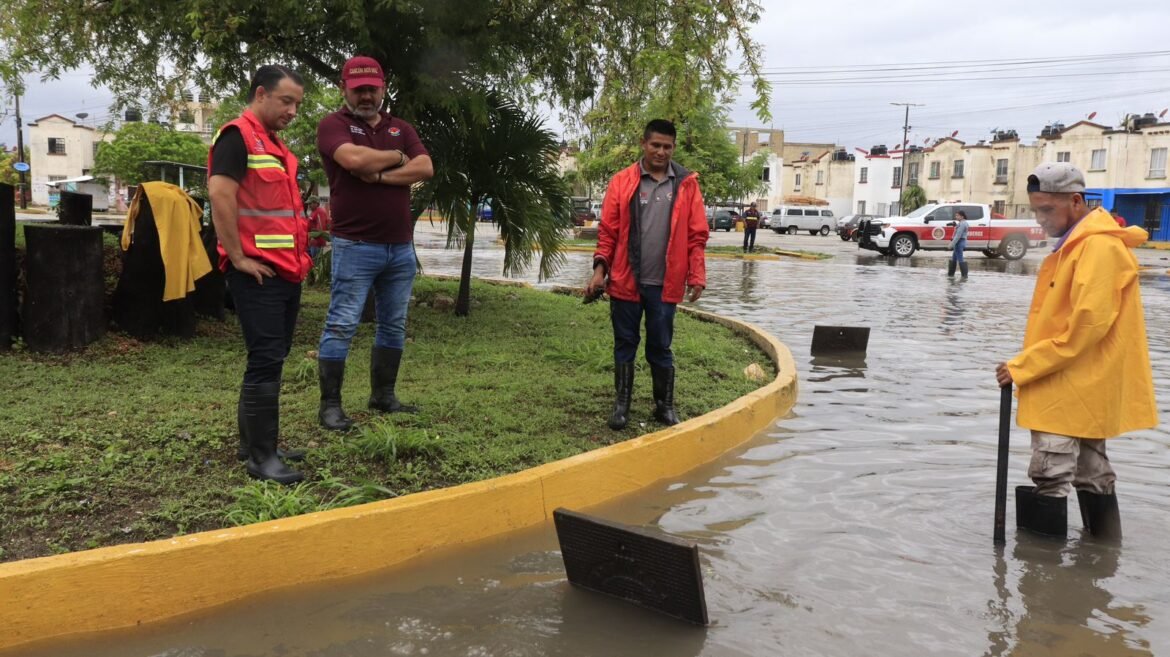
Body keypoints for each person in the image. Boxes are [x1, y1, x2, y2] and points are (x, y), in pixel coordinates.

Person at [995, 162, 1157, 540]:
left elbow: (1085, 327)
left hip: (1067, 384)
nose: (1040, 219)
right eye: (1036, 210)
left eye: (1048, 210)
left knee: (1051, 474)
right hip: (1081, 383)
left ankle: (1041, 580)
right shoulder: (1077, 245)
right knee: (1092, 473)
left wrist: (1023, 366)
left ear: (1077, 201)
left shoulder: (1097, 248)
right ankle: (1098, 566)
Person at [315, 55, 434, 431]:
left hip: (399, 247)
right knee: (342, 323)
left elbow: (425, 168)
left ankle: (383, 395)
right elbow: (352, 160)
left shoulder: (401, 127)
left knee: (393, 324)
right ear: (344, 90)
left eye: (372, 89)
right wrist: (399, 159)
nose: (366, 96)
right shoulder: (333, 125)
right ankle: (330, 406)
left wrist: (380, 175)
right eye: (358, 89)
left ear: (383, 88)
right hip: (355, 244)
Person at [209, 65, 311, 484]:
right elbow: (219, 192)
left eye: (298, 104)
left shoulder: (275, 146)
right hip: (256, 274)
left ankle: (253, 443)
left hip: (286, 272)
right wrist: (236, 256)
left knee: (272, 356)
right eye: (286, 101)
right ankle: (262, 458)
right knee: (266, 360)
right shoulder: (237, 136)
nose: (292, 111)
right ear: (260, 95)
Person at [587, 119, 709, 430]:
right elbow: (609, 232)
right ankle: (621, 406)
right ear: (644, 144)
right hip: (626, 281)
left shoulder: (686, 184)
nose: (661, 151)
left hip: (665, 284)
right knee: (625, 343)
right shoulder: (622, 182)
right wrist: (600, 271)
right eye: (655, 145)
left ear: (674, 148)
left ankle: (663, 406)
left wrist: (696, 274)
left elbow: (697, 235)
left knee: (661, 346)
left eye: (667, 146)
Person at [306, 196, 331, 260]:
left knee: (315, 262)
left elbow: (320, 230)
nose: (309, 205)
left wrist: (310, 236)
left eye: (310, 203)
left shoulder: (320, 212)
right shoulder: (313, 211)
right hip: (312, 242)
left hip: (317, 243)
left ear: (316, 203)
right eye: (308, 204)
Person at [948, 209, 969, 279]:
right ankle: (951, 275)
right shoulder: (962, 223)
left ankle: (964, 276)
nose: (956, 217)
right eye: (956, 215)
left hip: (959, 242)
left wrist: (951, 244)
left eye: (957, 215)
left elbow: (958, 236)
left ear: (962, 217)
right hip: (959, 242)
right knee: (954, 258)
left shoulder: (963, 224)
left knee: (960, 259)